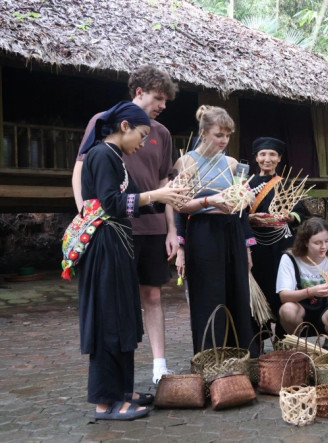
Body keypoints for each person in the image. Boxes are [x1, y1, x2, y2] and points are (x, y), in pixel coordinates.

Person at [68, 101, 187, 420]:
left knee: (123, 317)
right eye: (142, 135)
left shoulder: (116, 157)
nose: (143, 143)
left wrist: (176, 195)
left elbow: (141, 202)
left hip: (119, 245)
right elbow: (112, 203)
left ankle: (122, 391)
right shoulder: (100, 154)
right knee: (108, 319)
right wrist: (156, 195)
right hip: (104, 247)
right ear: (124, 127)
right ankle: (105, 402)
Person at [173, 106, 255, 355]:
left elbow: (242, 208)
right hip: (203, 231)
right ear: (204, 133)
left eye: (228, 135)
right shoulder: (186, 162)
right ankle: (210, 357)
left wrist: (246, 198)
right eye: (219, 134)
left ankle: (241, 357)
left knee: (237, 294)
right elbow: (179, 206)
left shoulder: (232, 164)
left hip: (232, 230)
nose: (224, 140)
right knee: (208, 295)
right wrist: (209, 201)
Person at [247, 137, 309, 342]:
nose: (267, 159)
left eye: (272, 154)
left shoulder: (286, 184)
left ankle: (283, 337)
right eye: (263, 154)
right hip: (255, 246)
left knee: (283, 285)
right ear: (256, 158)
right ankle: (258, 336)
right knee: (257, 288)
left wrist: (290, 217)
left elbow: (301, 213)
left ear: (279, 158)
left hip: (281, 245)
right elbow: (238, 213)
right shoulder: (246, 185)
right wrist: (250, 218)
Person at [275, 217, 328, 340]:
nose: (323, 247)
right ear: (305, 242)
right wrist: (311, 291)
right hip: (299, 307)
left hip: (325, 309)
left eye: (327, 241)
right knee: (287, 310)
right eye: (317, 243)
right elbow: (284, 296)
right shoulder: (290, 258)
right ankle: (297, 342)